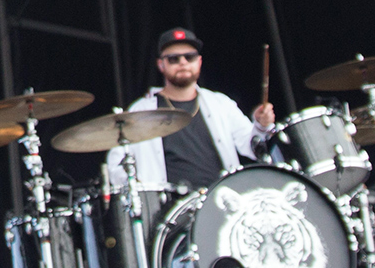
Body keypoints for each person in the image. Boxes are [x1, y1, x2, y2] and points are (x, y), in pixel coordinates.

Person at [105, 29, 278, 191]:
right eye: (173, 59)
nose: (183, 63)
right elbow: (116, 164)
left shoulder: (220, 103)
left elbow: (253, 148)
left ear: (199, 61)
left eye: (189, 57)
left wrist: (262, 125)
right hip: (170, 208)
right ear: (161, 64)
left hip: (221, 199)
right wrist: (141, 192)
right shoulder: (141, 110)